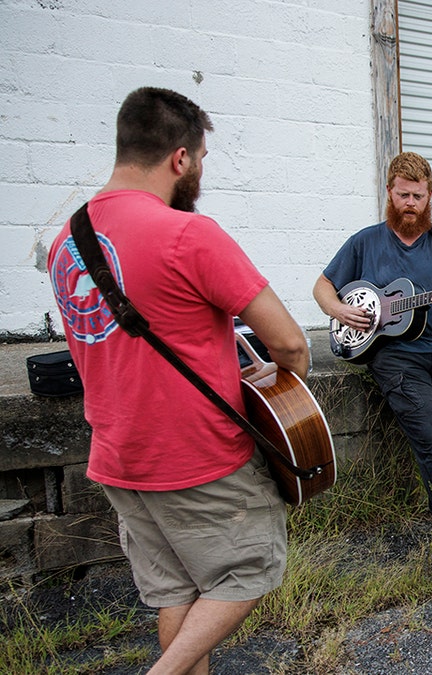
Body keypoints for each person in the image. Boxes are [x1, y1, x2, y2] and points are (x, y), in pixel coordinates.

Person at [46, 87, 310, 674]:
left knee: (178, 593)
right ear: (180, 158)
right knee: (248, 570)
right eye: (202, 158)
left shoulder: (67, 243)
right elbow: (289, 341)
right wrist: (287, 384)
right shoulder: (190, 235)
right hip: (195, 456)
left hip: (119, 456)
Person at [313, 152, 432, 598]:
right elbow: (322, 286)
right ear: (390, 193)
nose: (410, 202)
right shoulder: (365, 242)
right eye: (403, 194)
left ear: (429, 196)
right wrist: (341, 310)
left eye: (418, 195)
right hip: (395, 358)